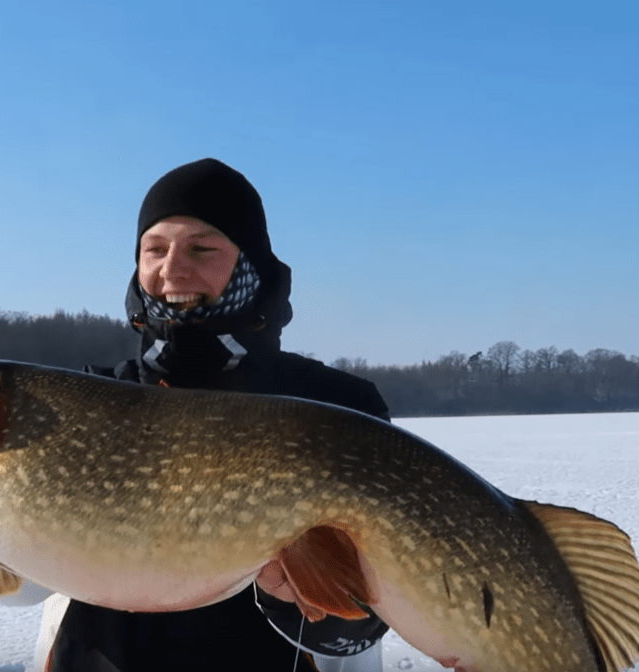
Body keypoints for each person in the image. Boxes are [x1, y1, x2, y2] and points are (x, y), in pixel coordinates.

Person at [41, 158, 393, 672]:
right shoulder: (88, 399)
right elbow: (17, 586)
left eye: (202, 249)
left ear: (249, 265)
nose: (172, 269)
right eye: (154, 249)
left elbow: (366, 619)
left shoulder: (336, 407)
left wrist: (312, 605)